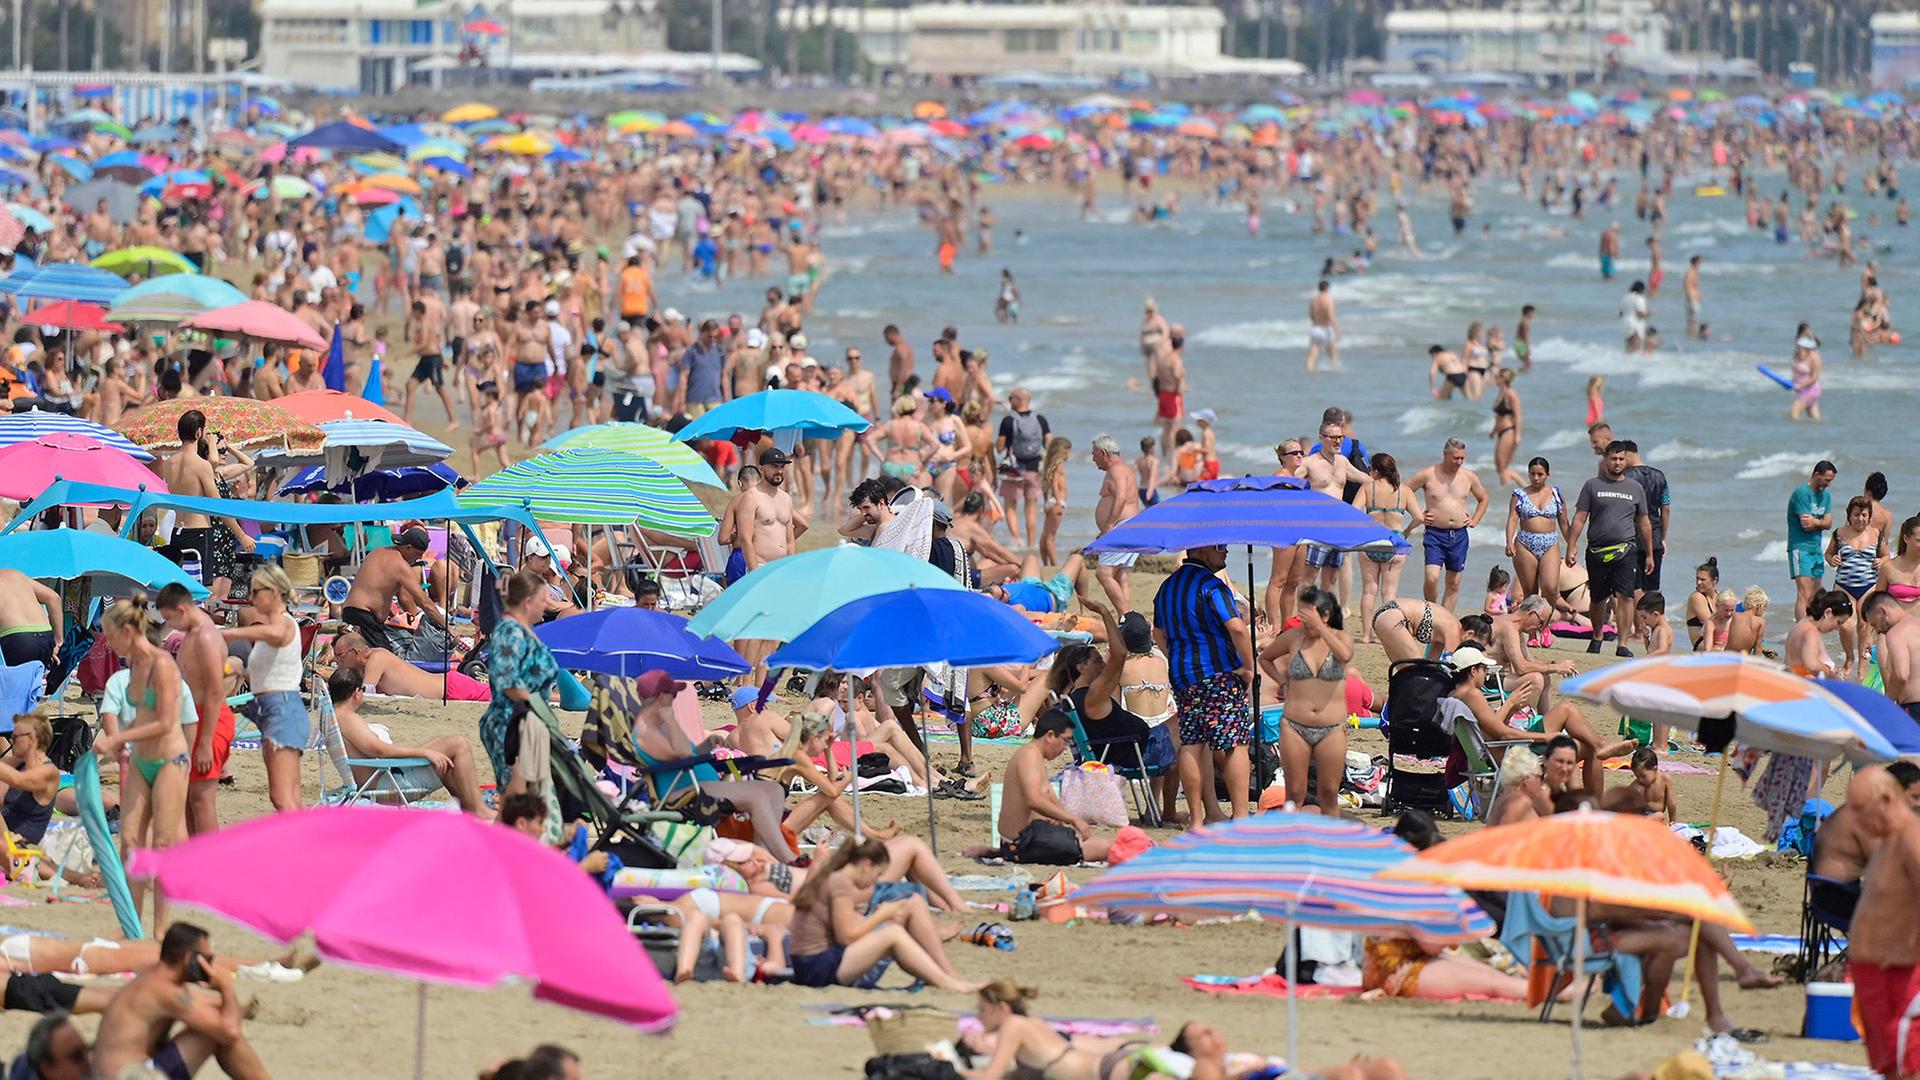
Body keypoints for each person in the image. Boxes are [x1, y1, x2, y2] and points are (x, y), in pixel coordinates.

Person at [94, 598, 188, 933]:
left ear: (129, 631)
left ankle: (161, 928)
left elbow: (166, 721)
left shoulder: (163, 665)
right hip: (141, 759)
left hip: (170, 760)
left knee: (162, 844)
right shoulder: (133, 666)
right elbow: (137, 716)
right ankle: (132, 923)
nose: (108, 643)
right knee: (131, 842)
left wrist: (117, 740)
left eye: (111, 636)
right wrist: (113, 743)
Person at [787, 837, 982, 992]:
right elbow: (846, 936)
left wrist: (883, 916)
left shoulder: (836, 878)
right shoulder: (840, 884)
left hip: (821, 961)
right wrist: (881, 916)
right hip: (817, 969)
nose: (876, 880)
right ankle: (945, 981)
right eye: (878, 874)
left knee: (912, 903)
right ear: (866, 865)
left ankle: (948, 974)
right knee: (893, 933)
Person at [90, 922, 269, 1080]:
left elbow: (204, 1006)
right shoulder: (166, 992)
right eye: (206, 959)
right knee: (211, 1033)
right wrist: (226, 987)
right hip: (130, 1077)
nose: (209, 966)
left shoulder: (155, 979)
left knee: (213, 1026)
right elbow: (229, 1031)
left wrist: (231, 1005)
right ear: (188, 959)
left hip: (124, 1073)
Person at [1153, 544, 1254, 825]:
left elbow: (1158, 633)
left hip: (1184, 675)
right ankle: (1242, 817)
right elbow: (1236, 628)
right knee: (1235, 743)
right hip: (1218, 672)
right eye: (1220, 546)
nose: (1226, 551)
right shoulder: (1212, 586)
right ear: (1204, 547)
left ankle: (1198, 819)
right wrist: (1249, 666)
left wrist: (1176, 655)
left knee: (1193, 743)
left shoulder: (1167, 587)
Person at [328, 668, 492, 817]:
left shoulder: (334, 717)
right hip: (385, 785)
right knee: (458, 744)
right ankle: (477, 809)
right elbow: (380, 751)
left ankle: (469, 806)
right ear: (356, 693)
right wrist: (425, 753)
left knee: (442, 743)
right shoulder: (349, 719)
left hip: (378, 779)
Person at [1842, 766, 1920, 1079]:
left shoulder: (1912, 838)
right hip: (1876, 974)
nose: (1856, 820)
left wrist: (1913, 950)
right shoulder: (1889, 839)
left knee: (1908, 1066)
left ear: (1887, 798)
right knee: (1889, 1065)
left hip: (1900, 977)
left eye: (1860, 810)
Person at [961, 712, 1113, 864]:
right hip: (1026, 842)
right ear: (1050, 736)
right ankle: (999, 852)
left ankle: (995, 852)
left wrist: (1062, 819)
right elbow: (1033, 800)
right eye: (1065, 741)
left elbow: (1050, 797)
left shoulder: (1035, 756)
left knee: (1095, 844)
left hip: (1031, 838)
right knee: (1104, 847)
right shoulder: (1029, 756)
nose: (1066, 748)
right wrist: (1072, 820)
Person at [220, 566, 306, 813]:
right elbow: (273, 672)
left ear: (272, 592)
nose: (250, 598)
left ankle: (301, 848)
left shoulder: (283, 623)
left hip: (282, 710)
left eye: (255, 592)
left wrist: (234, 632)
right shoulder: (276, 625)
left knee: (282, 797)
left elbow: (276, 633)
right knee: (289, 794)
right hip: (275, 711)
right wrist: (241, 673)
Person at [1259, 587, 1352, 813]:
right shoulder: (1293, 637)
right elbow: (1265, 658)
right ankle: (1292, 842)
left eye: (1308, 616)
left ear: (1326, 615)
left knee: (1329, 792)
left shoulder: (1341, 638)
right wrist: (1283, 682)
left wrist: (1321, 628)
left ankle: (1329, 844)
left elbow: (1345, 655)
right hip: (1294, 725)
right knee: (1294, 793)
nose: (1303, 621)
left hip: (1331, 727)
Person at [154, 584, 234, 837]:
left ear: (181, 609)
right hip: (194, 717)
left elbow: (214, 690)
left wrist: (206, 743)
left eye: (169, 618)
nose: (170, 625)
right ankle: (193, 858)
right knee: (188, 795)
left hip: (210, 718)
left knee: (201, 799)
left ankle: (209, 864)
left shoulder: (205, 636)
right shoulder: (192, 633)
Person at [1566, 441, 1653, 658]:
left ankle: (1622, 643)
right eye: (1613, 458)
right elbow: (1579, 518)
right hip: (1597, 551)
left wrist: (1650, 553)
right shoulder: (1592, 485)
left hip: (1626, 550)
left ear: (1626, 460)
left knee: (1625, 596)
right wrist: (1571, 546)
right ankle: (1597, 636)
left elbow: (1643, 522)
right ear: (1605, 459)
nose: (1617, 462)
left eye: (1621, 459)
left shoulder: (1635, 488)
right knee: (1597, 598)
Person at [479, 569, 561, 798]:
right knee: (516, 798)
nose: (547, 605)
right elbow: (508, 680)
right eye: (543, 600)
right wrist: (538, 710)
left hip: (527, 719)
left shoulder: (525, 630)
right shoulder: (510, 631)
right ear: (527, 602)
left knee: (527, 799)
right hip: (511, 722)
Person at [962, 981, 1148, 1080]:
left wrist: (951, 1070)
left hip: (1107, 1072)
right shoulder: (1030, 1023)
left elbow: (990, 1077)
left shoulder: (1013, 1025)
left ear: (1001, 1007)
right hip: (1110, 1065)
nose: (979, 1017)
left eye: (982, 1009)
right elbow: (1014, 1075)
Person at [1408, 438, 1488, 611]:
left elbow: (1483, 499)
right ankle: (1432, 610)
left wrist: (1475, 520)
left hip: (1459, 535)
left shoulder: (1468, 477)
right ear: (1445, 454)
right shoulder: (1428, 474)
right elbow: (1405, 492)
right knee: (1431, 577)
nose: (1459, 462)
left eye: (1462, 458)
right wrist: (1418, 515)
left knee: (1454, 583)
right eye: (1455, 458)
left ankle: (1445, 619)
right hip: (1435, 534)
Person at [340, 526, 448, 655]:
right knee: (386, 658)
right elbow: (424, 601)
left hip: (349, 610)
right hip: (364, 615)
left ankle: (336, 645)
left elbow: (382, 588)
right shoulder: (400, 565)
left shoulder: (378, 552)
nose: (418, 559)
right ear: (408, 548)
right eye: (418, 555)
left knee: (358, 653)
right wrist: (446, 627)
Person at [1351, 453, 1414, 643]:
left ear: (1376, 471)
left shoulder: (1367, 488)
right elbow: (1419, 516)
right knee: (1389, 593)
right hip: (1394, 541)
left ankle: (1366, 635)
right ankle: (1385, 634)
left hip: (1371, 540)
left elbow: (1353, 511)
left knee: (1369, 590)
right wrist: (1407, 531)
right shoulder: (1403, 490)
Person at [331, 630, 489, 702]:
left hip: (451, 688)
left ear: (357, 652)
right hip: (449, 686)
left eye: (340, 656)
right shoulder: (376, 656)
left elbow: (367, 695)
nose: (338, 661)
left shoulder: (376, 659)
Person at [1505, 457, 1574, 619]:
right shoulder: (1519, 494)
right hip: (1525, 543)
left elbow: (1564, 523)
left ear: (1547, 475)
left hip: (1549, 543)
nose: (1536, 478)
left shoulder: (1556, 495)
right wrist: (1509, 542)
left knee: (1550, 588)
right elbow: (1512, 519)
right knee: (1530, 591)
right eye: (1533, 474)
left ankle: (1544, 624)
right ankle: (1531, 630)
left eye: (1540, 474)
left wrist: (1572, 547)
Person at [1828, 495, 1883, 679]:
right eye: (1856, 514)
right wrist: (1832, 560)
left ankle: (1863, 666)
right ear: (1849, 515)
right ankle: (1849, 659)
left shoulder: (1876, 534)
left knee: (1864, 626)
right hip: (1844, 587)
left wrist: (1881, 561)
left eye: (1864, 515)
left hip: (1868, 586)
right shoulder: (1839, 534)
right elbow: (1828, 555)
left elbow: (1886, 556)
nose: (1860, 519)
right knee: (1846, 625)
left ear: (1869, 516)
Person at [994, 387, 1049, 549]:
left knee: (1010, 505)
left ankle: (1017, 540)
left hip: (1014, 469)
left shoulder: (1008, 421)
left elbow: (999, 448)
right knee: (1031, 507)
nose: (1010, 401)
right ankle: (1032, 544)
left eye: (1011, 398)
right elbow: (1050, 442)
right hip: (1034, 467)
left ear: (1017, 399)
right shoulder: (1040, 419)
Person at [1090, 435, 1140, 614]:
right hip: (1129, 526)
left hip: (1122, 527)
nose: (1093, 459)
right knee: (1121, 576)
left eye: (1094, 454)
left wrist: (1109, 525)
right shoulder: (1121, 469)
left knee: (1103, 573)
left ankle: (1126, 616)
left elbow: (1121, 497)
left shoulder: (1116, 470)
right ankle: (1126, 618)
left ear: (1104, 453)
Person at [1789, 460, 1839, 621]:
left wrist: (1817, 522)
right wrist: (1821, 523)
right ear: (1816, 475)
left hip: (1816, 549)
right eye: (1826, 479)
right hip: (1800, 548)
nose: (1828, 484)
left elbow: (1829, 523)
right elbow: (1805, 524)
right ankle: (1802, 629)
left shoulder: (1826, 496)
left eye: (1831, 480)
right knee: (1804, 593)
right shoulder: (1802, 493)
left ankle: (1813, 627)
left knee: (1816, 595)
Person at [0, 567, 60, 677]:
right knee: (32, 688)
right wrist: (58, 640)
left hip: (17, 638)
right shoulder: (16, 574)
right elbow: (54, 598)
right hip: (45, 636)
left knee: (14, 689)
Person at [1602, 745, 1676, 823]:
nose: (1640, 779)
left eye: (1643, 776)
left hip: (1655, 815)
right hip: (1640, 815)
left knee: (1660, 815)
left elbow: (1671, 802)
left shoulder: (1665, 779)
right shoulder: (1637, 785)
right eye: (1637, 776)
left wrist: (1673, 820)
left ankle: (1642, 823)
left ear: (1655, 769)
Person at [1789, 326, 1824, 423]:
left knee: (1792, 414)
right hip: (1801, 389)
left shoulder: (1814, 356)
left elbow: (1815, 377)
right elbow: (1796, 371)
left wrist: (1800, 385)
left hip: (1810, 389)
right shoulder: (1796, 354)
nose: (1798, 347)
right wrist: (1792, 383)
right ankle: (1816, 435)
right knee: (1815, 420)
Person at [1686, 558, 1722, 651]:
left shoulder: (1720, 595)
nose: (1698, 583)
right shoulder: (1696, 597)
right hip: (1702, 642)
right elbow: (1711, 622)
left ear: (1715, 581)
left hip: (1719, 638)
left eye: (1702, 580)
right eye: (1697, 579)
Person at [1306, 279, 1339, 372]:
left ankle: (1309, 373)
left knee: (1312, 356)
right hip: (1326, 329)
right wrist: (1336, 329)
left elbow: (1311, 315)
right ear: (1327, 288)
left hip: (1316, 328)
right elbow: (1330, 315)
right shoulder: (1329, 299)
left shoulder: (1313, 300)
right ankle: (1333, 372)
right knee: (1333, 355)